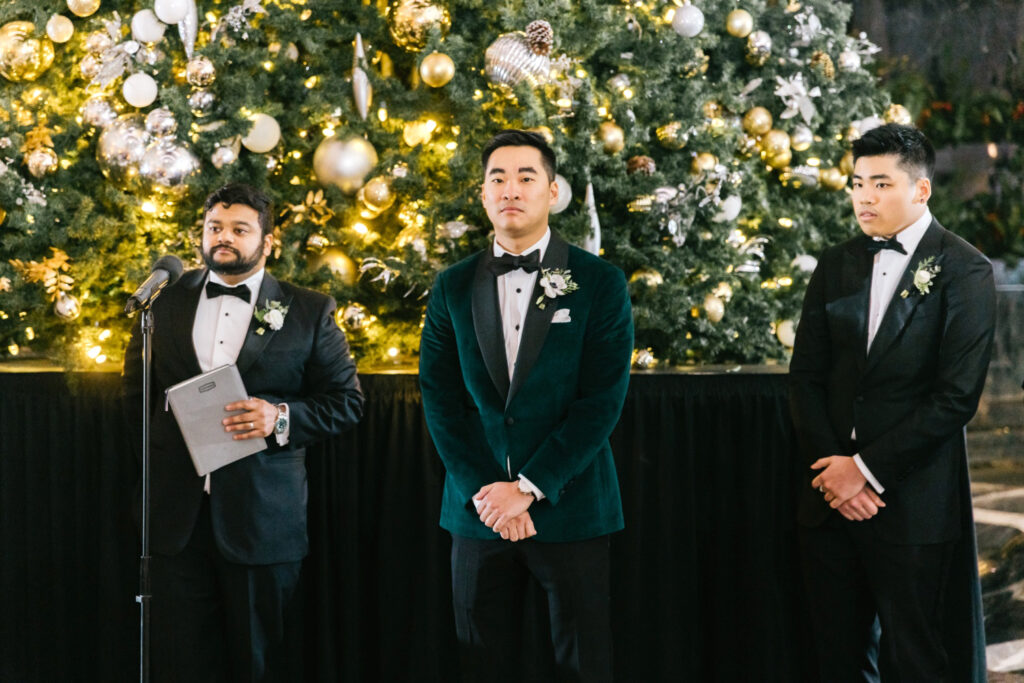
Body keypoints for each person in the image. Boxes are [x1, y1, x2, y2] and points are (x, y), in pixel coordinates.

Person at [122, 183, 364, 682]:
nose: (223, 238)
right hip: (175, 522)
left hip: (262, 523)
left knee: (258, 663)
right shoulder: (163, 304)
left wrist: (279, 418)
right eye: (215, 227)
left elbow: (347, 404)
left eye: (238, 229)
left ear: (267, 242)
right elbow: (134, 396)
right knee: (180, 661)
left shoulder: (309, 309)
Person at [419, 129, 633, 682]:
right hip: (478, 509)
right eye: (498, 178)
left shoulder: (600, 282)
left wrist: (530, 487)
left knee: (584, 660)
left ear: (553, 191)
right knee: (480, 658)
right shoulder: (451, 286)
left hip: (572, 504)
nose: (510, 188)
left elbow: (600, 402)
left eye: (526, 177)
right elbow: (441, 399)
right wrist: (490, 496)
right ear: (483, 194)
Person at [789, 123, 994, 682]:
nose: (864, 197)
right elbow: (805, 377)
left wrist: (866, 472)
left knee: (918, 660)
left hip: (911, 502)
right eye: (857, 183)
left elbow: (955, 398)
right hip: (829, 500)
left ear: (921, 190)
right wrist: (836, 473)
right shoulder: (836, 264)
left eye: (880, 184)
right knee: (838, 659)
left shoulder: (965, 269)